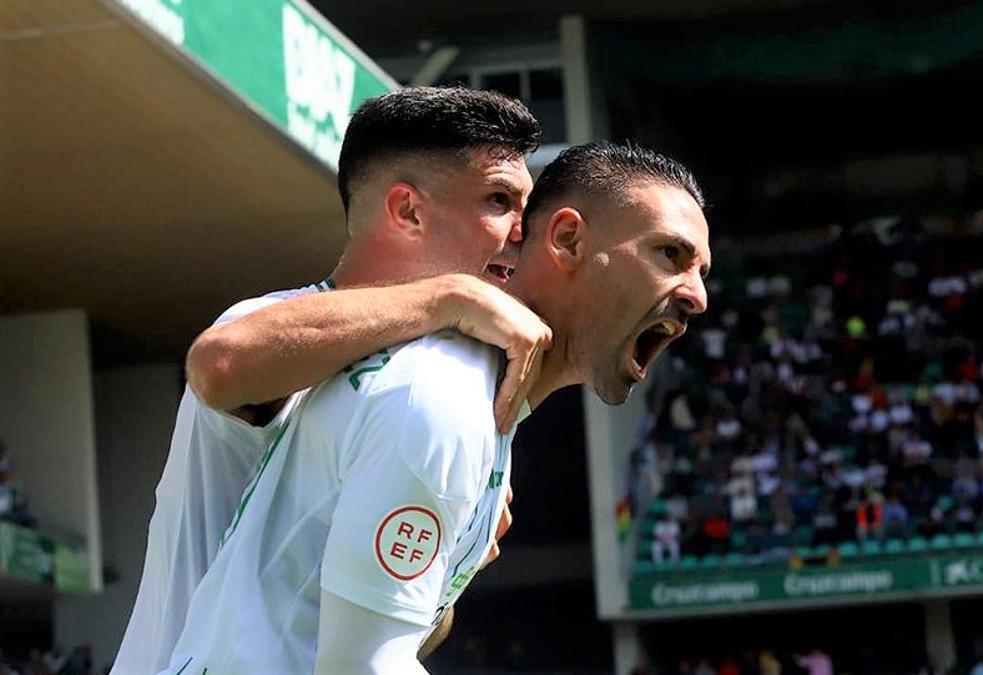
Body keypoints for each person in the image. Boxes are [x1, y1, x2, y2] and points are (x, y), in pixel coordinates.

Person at [157, 141, 708, 674]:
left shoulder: (480, 406)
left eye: (700, 272)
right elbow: (363, 665)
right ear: (566, 239)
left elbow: (376, 632)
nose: (696, 296)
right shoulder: (438, 391)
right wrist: (451, 295)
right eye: (671, 255)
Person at [112, 87, 547, 675]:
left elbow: (380, 638)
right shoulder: (269, 320)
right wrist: (451, 294)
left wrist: (449, 575)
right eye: (500, 200)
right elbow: (220, 364)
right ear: (408, 210)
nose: (523, 230)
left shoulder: (445, 382)